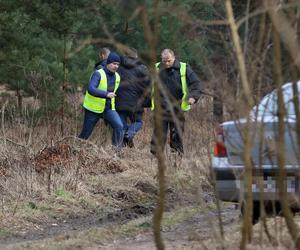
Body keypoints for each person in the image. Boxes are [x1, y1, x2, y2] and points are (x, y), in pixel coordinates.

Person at [151, 48, 202, 155]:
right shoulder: (156, 68)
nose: (166, 63)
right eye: (164, 61)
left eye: (169, 60)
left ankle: (177, 156)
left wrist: (193, 97)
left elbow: (196, 83)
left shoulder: (184, 67)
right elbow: (147, 85)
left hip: (177, 107)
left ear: (174, 57)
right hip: (161, 107)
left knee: (177, 134)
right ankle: (156, 156)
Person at [79, 52, 124, 150]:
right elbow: (91, 89)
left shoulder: (118, 77)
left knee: (119, 126)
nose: (116, 66)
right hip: (93, 109)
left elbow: (117, 93)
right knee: (85, 134)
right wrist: (106, 94)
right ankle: (75, 151)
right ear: (108, 63)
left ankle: (116, 154)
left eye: (118, 64)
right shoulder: (98, 73)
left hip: (108, 109)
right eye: (114, 63)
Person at [116, 48, 151, 147]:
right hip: (136, 103)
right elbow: (148, 88)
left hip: (119, 102)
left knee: (121, 125)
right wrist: (146, 104)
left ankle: (119, 150)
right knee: (138, 121)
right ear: (136, 57)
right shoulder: (142, 69)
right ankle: (130, 133)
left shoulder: (118, 67)